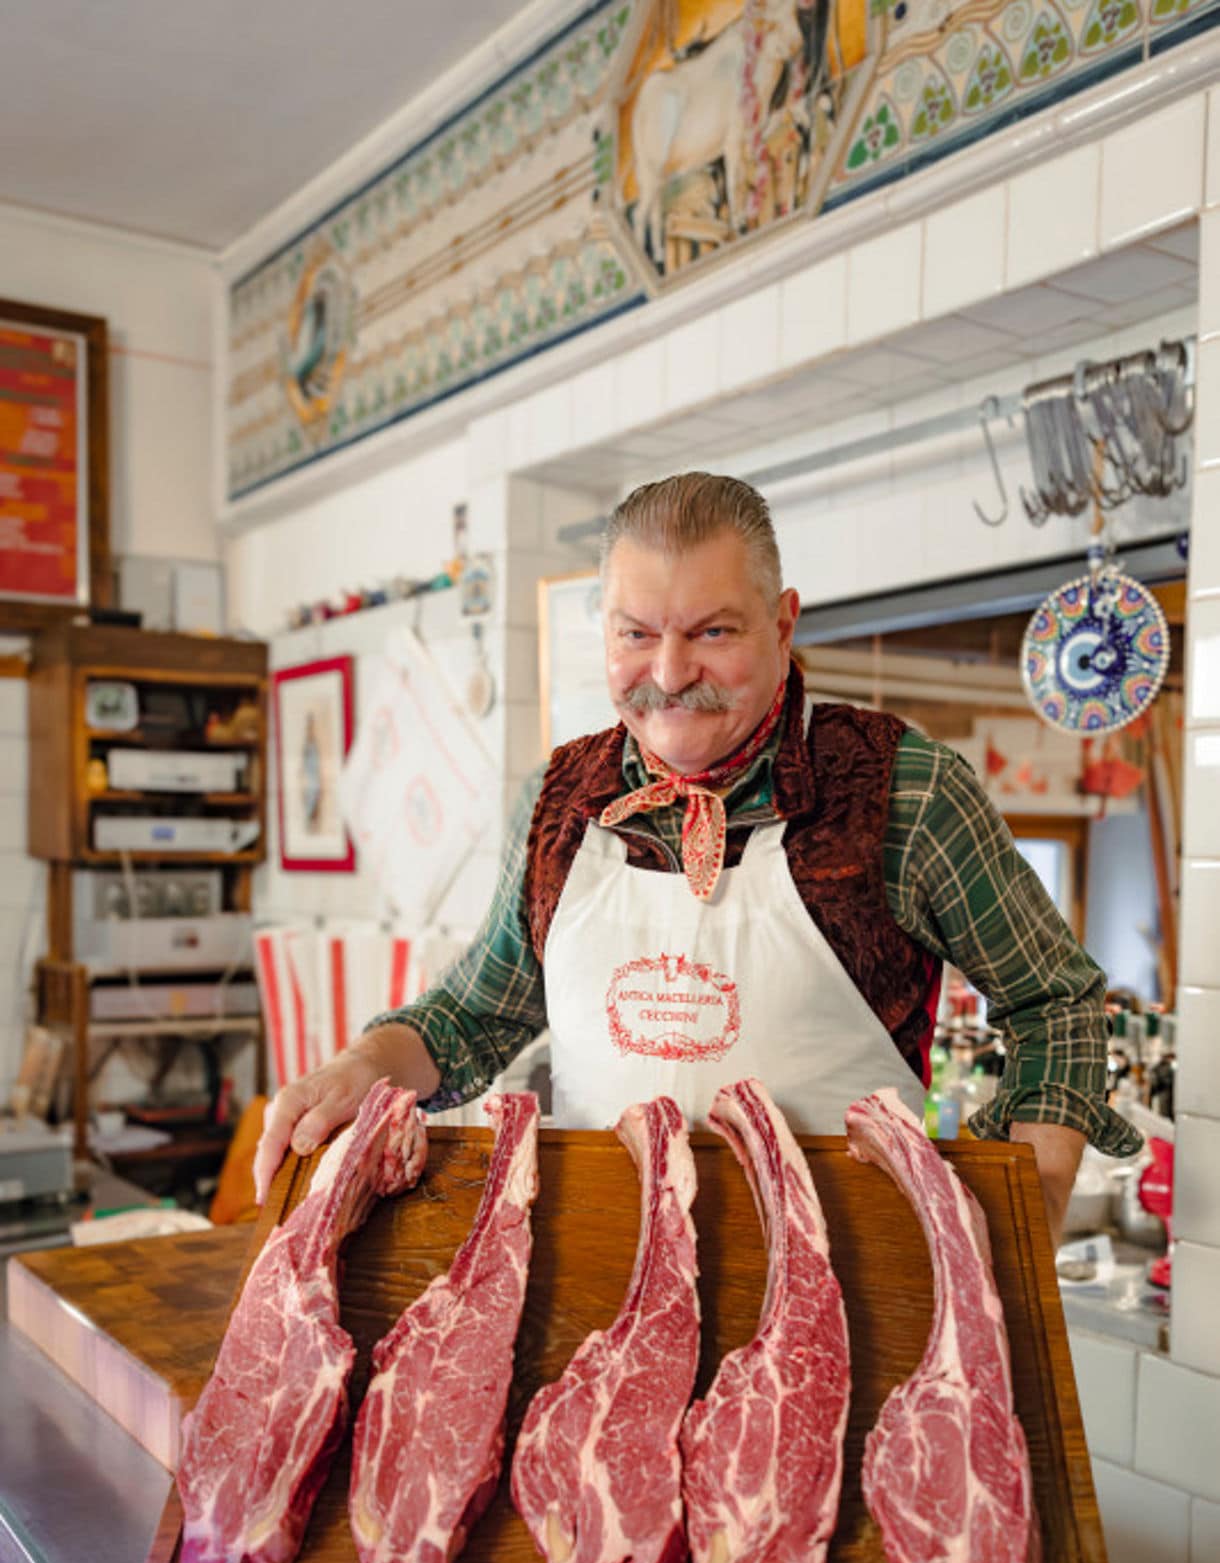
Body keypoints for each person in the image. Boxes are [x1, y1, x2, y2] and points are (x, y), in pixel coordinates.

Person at [254, 472, 1140, 1234]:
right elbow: (473, 1018)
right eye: (636, 633)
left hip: (852, 1303)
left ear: (784, 623)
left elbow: (1053, 1001)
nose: (670, 674)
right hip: (608, 1299)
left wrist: (1034, 1198)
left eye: (713, 632)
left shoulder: (902, 790)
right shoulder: (559, 799)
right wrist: (359, 1069)